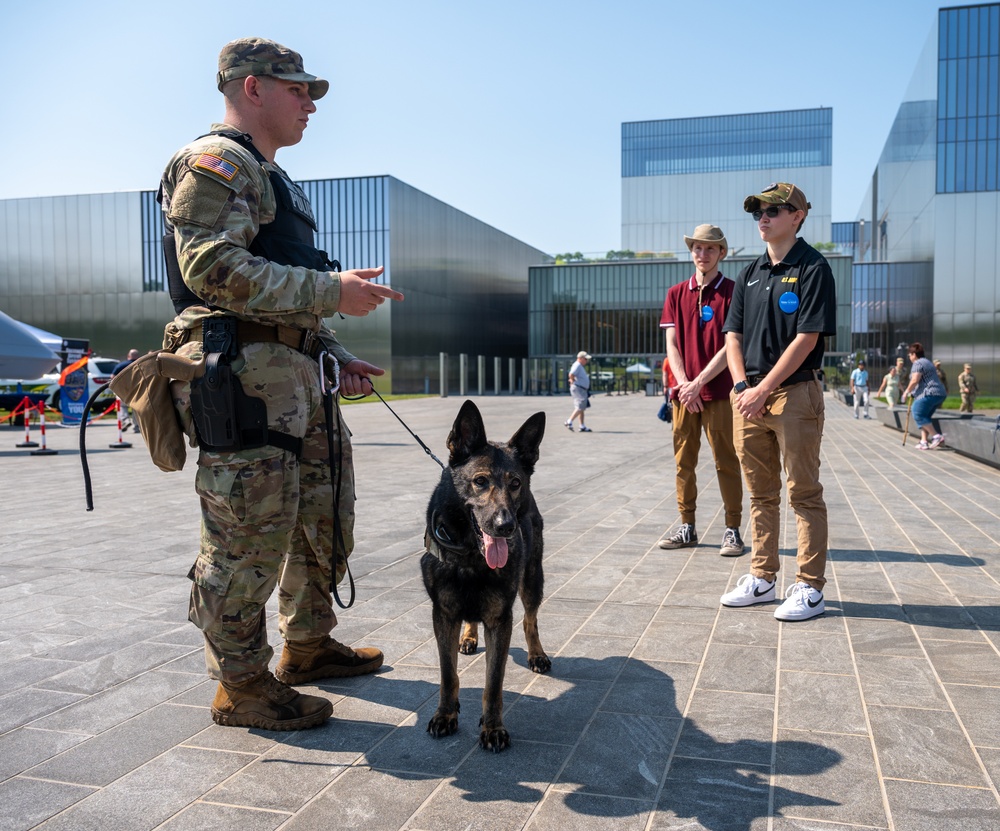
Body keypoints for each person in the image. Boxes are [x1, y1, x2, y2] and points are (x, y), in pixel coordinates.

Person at [159, 38, 404, 730]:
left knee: (321, 516)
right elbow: (209, 267)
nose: (310, 104)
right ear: (250, 88)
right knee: (248, 534)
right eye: (296, 89)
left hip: (297, 382)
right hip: (245, 385)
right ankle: (240, 684)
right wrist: (330, 290)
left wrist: (331, 347)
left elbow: (278, 293)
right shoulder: (219, 162)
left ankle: (308, 644)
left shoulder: (276, 180)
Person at [719, 182, 837, 622]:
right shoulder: (750, 272)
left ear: (798, 216)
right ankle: (763, 578)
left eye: (774, 210)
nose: (763, 218)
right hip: (747, 397)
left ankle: (810, 587)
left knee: (803, 493)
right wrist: (739, 389)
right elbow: (733, 335)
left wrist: (762, 389)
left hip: (793, 395)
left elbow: (807, 338)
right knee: (761, 494)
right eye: (758, 213)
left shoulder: (812, 268)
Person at [656, 224, 744, 556]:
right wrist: (683, 386)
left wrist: (698, 384)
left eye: (710, 249)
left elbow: (731, 345)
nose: (702, 254)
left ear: (721, 253)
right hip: (684, 397)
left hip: (719, 393)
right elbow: (672, 344)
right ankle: (687, 525)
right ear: (691, 252)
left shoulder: (734, 292)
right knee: (684, 463)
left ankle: (733, 529)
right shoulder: (676, 293)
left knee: (726, 461)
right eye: (697, 248)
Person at [903, 343, 947, 449]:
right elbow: (920, 382)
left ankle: (936, 436)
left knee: (917, 413)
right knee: (925, 417)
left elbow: (915, 380)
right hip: (939, 393)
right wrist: (913, 393)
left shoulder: (917, 363)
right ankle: (923, 441)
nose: (909, 357)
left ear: (914, 354)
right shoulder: (928, 362)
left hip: (930, 393)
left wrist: (906, 392)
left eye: (909, 355)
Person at [112, 349, 141, 432]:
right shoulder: (140, 365)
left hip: (122, 390)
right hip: (137, 391)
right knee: (136, 408)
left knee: (122, 406)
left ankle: (126, 420)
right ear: (137, 357)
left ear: (128, 356)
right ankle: (136, 427)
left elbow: (112, 377)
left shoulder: (121, 365)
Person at [565, 351, 593, 432]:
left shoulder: (579, 365)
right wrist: (572, 381)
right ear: (580, 358)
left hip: (581, 389)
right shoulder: (577, 365)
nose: (586, 361)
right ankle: (569, 421)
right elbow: (571, 374)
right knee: (580, 406)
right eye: (585, 359)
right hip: (579, 388)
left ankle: (582, 426)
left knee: (582, 408)